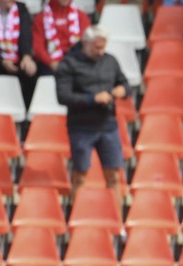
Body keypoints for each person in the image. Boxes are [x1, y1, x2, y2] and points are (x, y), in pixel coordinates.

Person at [55, 25, 128, 211]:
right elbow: (63, 96)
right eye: (96, 47)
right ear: (85, 43)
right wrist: (92, 99)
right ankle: (75, 216)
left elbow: (124, 83)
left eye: (103, 47)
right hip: (81, 127)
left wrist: (123, 90)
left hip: (108, 125)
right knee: (80, 175)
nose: (101, 51)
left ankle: (116, 221)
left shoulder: (110, 61)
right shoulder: (69, 64)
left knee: (113, 175)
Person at [0, 0, 38, 108]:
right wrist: (2, 61)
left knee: (31, 70)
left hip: (16, 58)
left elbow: (26, 36)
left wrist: (26, 56)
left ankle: (25, 114)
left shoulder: (21, 9)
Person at [31, 0, 91, 76]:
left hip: (76, 63)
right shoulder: (40, 18)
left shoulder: (81, 16)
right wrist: (51, 62)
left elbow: (86, 42)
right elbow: (38, 47)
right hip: (50, 66)